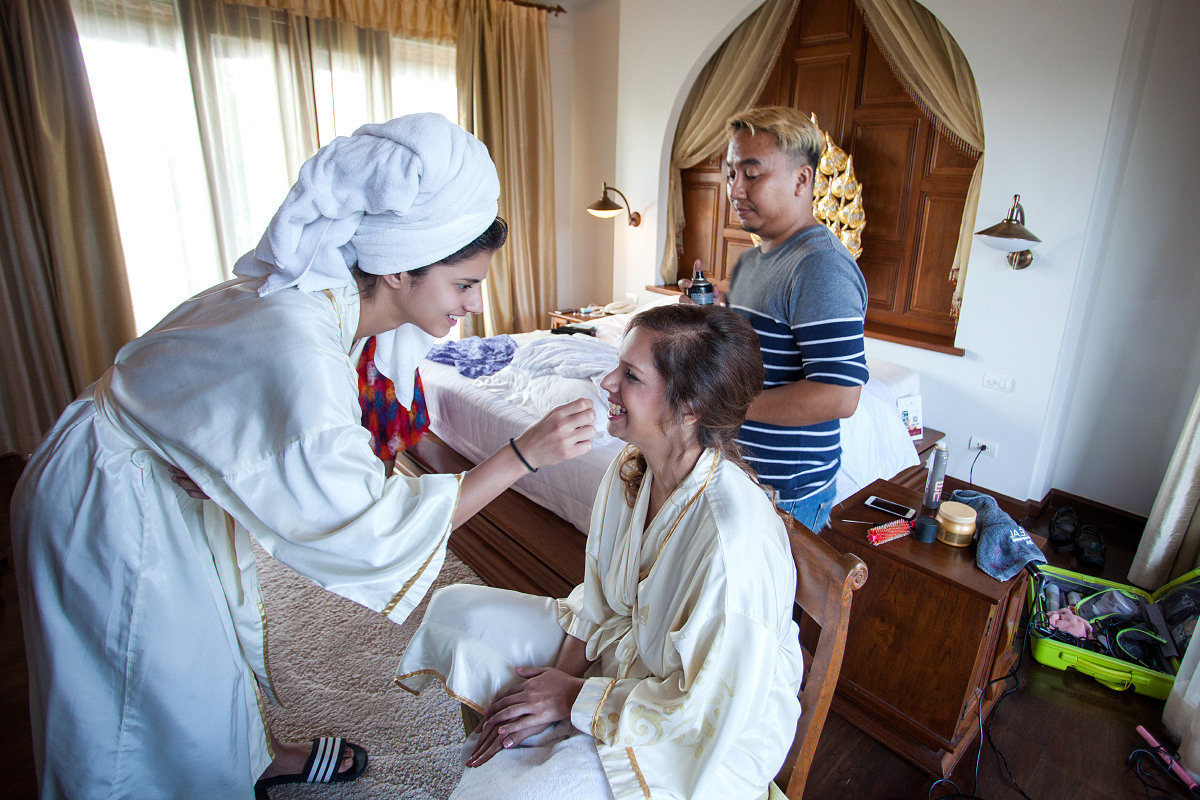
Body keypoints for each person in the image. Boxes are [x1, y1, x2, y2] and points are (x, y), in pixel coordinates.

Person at [10, 112, 596, 799]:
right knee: (138, 699)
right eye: (464, 284)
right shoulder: (301, 340)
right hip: (110, 503)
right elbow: (369, 529)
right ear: (400, 267)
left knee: (207, 659)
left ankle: (257, 758)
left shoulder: (314, 297)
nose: (473, 304)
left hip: (147, 473)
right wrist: (521, 453)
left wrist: (207, 453)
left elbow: (205, 388)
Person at [396, 304, 805, 800]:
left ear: (690, 405)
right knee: (454, 612)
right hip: (621, 656)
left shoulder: (731, 543)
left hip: (691, 737)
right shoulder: (633, 467)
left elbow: (704, 708)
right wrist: (556, 682)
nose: (607, 381)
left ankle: (513, 769)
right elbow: (598, 599)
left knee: (502, 795)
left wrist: (573, 699)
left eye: (630, 375)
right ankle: (506, 741)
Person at [680, 106, 868, 532]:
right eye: (731, 174)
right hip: (741, 474)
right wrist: (706, 319)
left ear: (802, 180)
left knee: (767, 601)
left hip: (786, 493)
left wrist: (726, 409)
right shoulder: (751, 260)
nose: (735, 190)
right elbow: (751, 353)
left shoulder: (819, 267)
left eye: (752, 173)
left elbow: (840, 395)